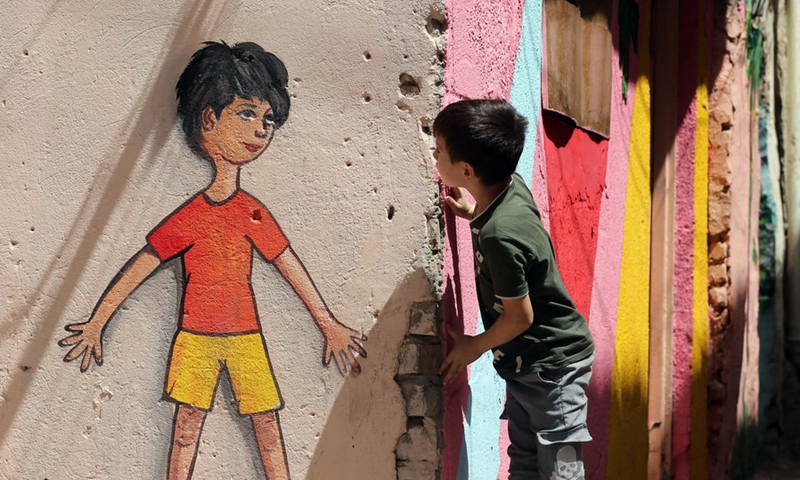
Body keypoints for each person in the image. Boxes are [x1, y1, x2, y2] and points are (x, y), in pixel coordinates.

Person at [59, 41, 366, 480]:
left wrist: (328, 323)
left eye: (268, 119)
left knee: (268, 425)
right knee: (186, 427)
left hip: (246, 337)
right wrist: (97, 321)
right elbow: (142, 265)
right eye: (247, 113)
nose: (261, 130)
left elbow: (287, 264)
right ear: (209, 119)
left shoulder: (252, 212)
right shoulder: (190, 217)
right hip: (195, 339)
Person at [435, 99, 595, 480]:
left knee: (562, 469)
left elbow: (520, 316)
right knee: (524, 461)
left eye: (439, 151)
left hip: (555, 368)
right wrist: (473, 211)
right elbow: (515, 233)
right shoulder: (511, 188)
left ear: (467, 170)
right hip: (528, 366)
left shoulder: (499, 236)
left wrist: (474, 345)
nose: (434, 156)